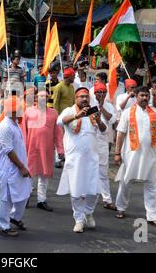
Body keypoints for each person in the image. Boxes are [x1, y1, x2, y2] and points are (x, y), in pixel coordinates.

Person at [114, 86, 156, 228]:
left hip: (151, 154)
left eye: (146, 96)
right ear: (136, 96)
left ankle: (153, 216)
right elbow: (121, 134)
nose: (144, 98)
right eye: (141, 95)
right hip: (131, 154)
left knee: (151, 184)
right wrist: (117, 153)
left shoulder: (154, 112)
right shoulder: (127, 113)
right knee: (126, 181)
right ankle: (121, 207)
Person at [56, 87, 107, 233]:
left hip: (92, 157)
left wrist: (98, 119)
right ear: (76, 98)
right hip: (75, 158)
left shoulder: (94, 112)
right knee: (76, 190)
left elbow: (104, 130)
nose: (85, 99)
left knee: (95, 190)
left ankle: (88, 213)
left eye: (86, 97)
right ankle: (78, 219)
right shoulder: (69, 110)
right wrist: (76, 116)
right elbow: (60, 122)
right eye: (81, 97)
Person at [21, 91, 64, 212]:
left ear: (48, 98)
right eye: (40, 97)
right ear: (36, 98)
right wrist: (23, 149)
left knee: (44, 176)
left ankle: (41, 200)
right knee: (29, 175)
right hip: (31, 149)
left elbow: (58, 134)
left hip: (47, 149)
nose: (42, 99)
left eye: (45, 97)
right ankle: (26, 197)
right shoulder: (28, 112)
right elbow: (24, 133)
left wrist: (60, 149)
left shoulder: (53, 113)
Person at [0, 95, 31, 237]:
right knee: (7, 198)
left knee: (24, 194)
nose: (22, 109)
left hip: (20, 166)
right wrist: (22, 167)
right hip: (9, 169)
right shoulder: (5, 126)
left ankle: (15, 218)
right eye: (19, 108)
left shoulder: (15, 122)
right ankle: (3, 226)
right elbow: (8, 151)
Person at [91, 82, 117, 210]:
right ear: (94, 93)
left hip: (102, 142)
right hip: (89, 141)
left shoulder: (108, 106)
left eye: (104, 92)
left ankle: (107, 199)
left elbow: (112, 120)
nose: (101, 95)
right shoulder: (88, 104)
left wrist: (101, 108)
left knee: (103, 172)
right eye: (99, 92)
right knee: (88, 171)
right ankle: (85, 196)